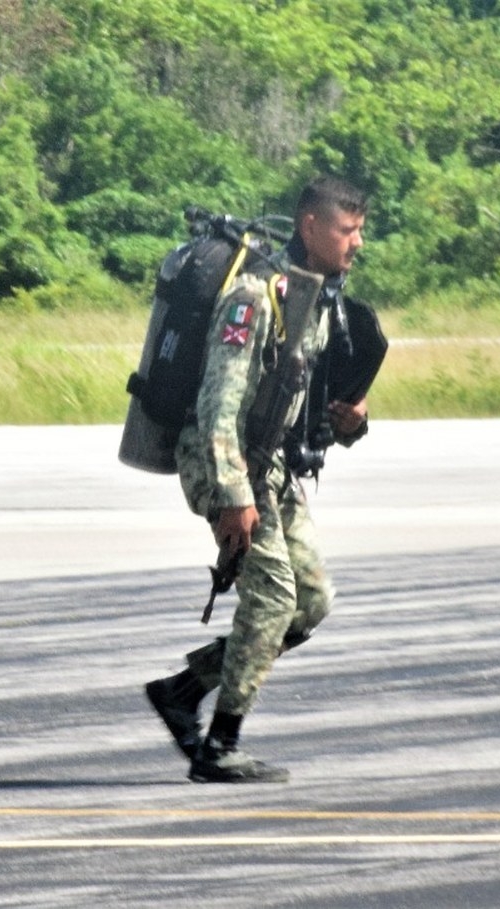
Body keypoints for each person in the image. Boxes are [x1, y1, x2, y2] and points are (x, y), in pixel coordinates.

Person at [144, 176, 373, 783]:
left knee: (312, 602)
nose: (357, 243)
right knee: (272, 597)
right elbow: (218, 406)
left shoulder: (318, 298)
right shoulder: (254, 298)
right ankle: (220, 746)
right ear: (311, 228)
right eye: (348, 230)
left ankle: (182, 689)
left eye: (359, 230)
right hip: (226, 463)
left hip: (270, 465)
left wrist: (352, 421)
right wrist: (232, 496)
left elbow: (312, 402)